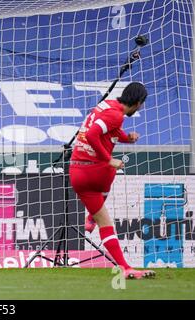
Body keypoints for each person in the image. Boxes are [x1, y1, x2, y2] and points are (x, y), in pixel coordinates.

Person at [69, 82, 155, 279]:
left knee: (103, 219)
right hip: (94, 171)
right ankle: (125, 268)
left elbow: (108, 131)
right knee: (112, 168)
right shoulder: (116, 115)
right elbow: (92, 134)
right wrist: (108, 159)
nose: (141, 107)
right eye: (142, 104)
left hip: (76, 172)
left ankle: (92, 219)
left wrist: (127, 138)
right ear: (139, 102)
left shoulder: (107, 106)